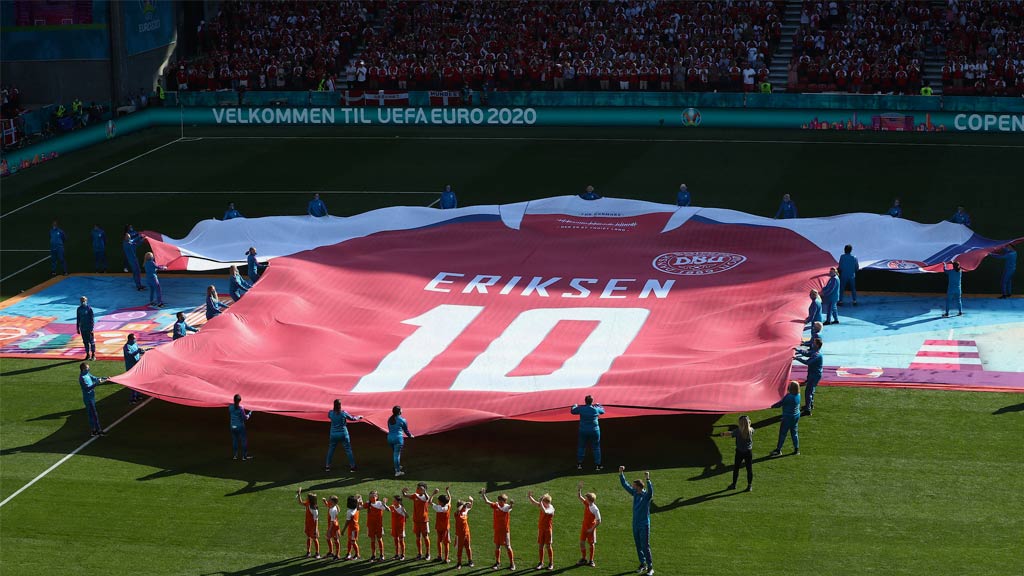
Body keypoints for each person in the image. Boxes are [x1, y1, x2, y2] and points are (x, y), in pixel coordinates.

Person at [618, 467, 654, 575]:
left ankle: (650, 567)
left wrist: (648, 479)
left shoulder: (646, 496)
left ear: (638, 487)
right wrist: (621, 473)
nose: (632, 487)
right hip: (635, 524)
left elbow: (651, 492)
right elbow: (625, 485)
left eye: (634, 485)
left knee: (645, 545)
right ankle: (643, 564)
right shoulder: (635, 493)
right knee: (638, 544)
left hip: (644, 524)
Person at [480, 489, 515, 571]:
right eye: (499, 501)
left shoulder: (506, 507)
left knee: (508, 546)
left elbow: (510, 507)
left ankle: (512, 563)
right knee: (497, 546)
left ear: (504, 501)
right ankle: (497, 562)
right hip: (497, 530)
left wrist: (511, 504)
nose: (499, 502)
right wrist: (483, 494)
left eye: (501, 501)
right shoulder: (496, 505)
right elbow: (487, 501)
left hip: (505, 530)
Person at [325, 399, 363, 472]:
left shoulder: (330, 413)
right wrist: (359, 417)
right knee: (348, 450)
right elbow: (352, 418)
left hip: (333, 434)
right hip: (343, 434)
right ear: (340, 405)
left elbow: (330, 416)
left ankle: (327, 466)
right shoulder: (343, 413)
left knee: (331, 450)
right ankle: (352, 467)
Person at [719, 415, 755, 492]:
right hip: (748, 452)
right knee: (749, 469)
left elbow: (730, 433)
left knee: (736, 468)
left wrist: (723, 434)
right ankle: (749, 486)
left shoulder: (738, 431)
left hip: (739, 452)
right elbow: (750, 427)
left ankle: (734, 484)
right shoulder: (751, 430)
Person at [571, 395, 604, 471]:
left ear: (585, 401)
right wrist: (599, 405)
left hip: (583, 431)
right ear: (592, 401)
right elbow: (603, 410)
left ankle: (579, 464)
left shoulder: (581, 409)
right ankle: (598, 465)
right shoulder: (596, 409)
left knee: (581, 447)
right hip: (594, 431)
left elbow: (573, 411)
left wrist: (575, 405)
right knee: (596, 448)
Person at [770, 381, 801, 456]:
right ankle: (796, 449)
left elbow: (780, 404)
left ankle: (778, 450)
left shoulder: (789, 396)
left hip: (787, 417)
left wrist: (771, 405)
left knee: (783, 433)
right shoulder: (798, 395)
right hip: (796, 416)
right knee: (794, 433)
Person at [403, 483, 432, 560]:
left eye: (420, 488)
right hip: (416, 520)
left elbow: (427, 498)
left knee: (425, 536)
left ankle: (428, 553)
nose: (418, 489)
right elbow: (405, 496)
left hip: (424, 520)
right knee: (417, 537)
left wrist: (424, 492)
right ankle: (419, 553)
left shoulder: (425, 497)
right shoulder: (415, 495)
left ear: (424, 489)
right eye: (418, 488)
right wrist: (403, 492)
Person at [79, 362, 109, 436]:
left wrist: (104, 378)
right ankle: (98, 430)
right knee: (94, 414)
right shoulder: (82, 378)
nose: (89, 369)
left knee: (92, 414)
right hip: (88, 398)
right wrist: (96, 383)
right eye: (87, 368)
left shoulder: (87, 374)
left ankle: (94, 430)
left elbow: (95, 378)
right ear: (83, 369)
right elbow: (87, 388)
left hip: (91, 397)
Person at [795, 338, 824, 415]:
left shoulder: (817, 355)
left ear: (817, 345)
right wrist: (798, 350)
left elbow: (807, 362)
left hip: (814, 375)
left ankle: (808, 410)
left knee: (808, 391)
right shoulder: (816, 352)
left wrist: (797, 358)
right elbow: (807, 353)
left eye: (814, 343)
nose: (812, 344)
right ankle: (810, 405)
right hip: (813, 374)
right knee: (811, 390)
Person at [527, 491, 555, 571]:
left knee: (548, 546)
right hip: (541, 529)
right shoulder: (543, 505)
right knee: (540, 546)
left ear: (547, 502)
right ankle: (541, 562)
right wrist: (530, 497)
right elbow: (534, 503)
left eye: (543, 502)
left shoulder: (551, 509)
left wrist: (540, 502)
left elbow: (545, 511)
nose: (541, 503)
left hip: (548, 530)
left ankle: (551, 563)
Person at [576, 481, 601, 567]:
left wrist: (592, 529)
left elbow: (599, 521)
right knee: (582, 542)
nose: (585, 499)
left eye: (586, 498)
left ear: (589, 500)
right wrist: (579, 489)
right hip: (584, 527)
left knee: (591, 544)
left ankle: (591, 560)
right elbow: (579, 497)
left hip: (590, 529)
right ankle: (584, 559)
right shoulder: (587, 504)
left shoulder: (595, 509)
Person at [387, 405, 412, 477]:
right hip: (398, 439)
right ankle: (397, 471)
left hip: (390, 438)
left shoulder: (390, 419)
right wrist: (410, 436)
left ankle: (397, 466)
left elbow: (390, 429)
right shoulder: (402, 420)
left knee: (395, 454)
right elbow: (406, 430)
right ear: (399, 411)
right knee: (396, 455)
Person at [364, 490, 388, 562]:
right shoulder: (368, 504)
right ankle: (373, 555)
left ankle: (382, 555)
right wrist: (358, 501)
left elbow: (388, 509)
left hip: (378, 525)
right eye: (370, 496)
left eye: (373, 496)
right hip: (370, 525)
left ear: (377, 497)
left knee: (379, 539)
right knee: (372, 540)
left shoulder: (380, 503)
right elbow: (359, 508)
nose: (372, 497)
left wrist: (384, 504)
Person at [297, 487, 321, 559]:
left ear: (310, 499)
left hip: (312, 527)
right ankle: (308, 552)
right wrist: (299, 494)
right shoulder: (308, 503)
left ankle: (317, 553)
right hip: (307, 524)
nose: (306, 498)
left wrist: (316, 529)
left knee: (315, 539)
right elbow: (300, 502)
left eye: (307, 497)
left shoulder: (314, 509)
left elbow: (316, 520)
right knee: (308, 537)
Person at [123, 333, 146, 404]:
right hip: (131, 366)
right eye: (134, 339)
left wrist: (142, 351)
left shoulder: (135, 344)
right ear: (130, 339)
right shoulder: (126, 347)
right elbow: (129, 355)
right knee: (133, 383)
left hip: (137, 365)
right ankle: (133, 399)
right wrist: (137, 351)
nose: (136, 340)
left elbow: (138, 353)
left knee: (138, 381)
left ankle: (138, 395)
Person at [432, 486, 452, 563]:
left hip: (439, 527)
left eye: (439, 501)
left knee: (439, 541)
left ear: (441, 502)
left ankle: (439, 556)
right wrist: (447, 491)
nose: (438, 502)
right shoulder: (448, 506)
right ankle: (446, 558)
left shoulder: (438, 508)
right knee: (446, 543)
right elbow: (449, 498)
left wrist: (433, 493)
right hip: (445, 527)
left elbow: (430, 502)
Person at [228, 393, 252, 460]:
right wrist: (250, 413)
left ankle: (235, 456)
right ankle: (244, 456)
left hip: (232, 426)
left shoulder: (230, 407)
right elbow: (245, 418)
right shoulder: (241, 408)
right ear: (239, 400)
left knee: (235, 440)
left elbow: (232, 406)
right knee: (243, 440)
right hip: (240, 427)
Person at [454, 497, 474, 569]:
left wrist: (471, 500)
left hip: (467, 533)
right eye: (464, 507)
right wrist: (464, 504)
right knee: (460, 549)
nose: (466, 508)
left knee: (468, 547)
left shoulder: (465, 511)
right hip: (460, 535)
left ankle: (470, 561)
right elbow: (458, 510)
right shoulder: (457, 514)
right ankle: (459, 563)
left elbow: (470, 506)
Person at [76, 296, 96, 360]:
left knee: (91, 342)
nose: (82, 302)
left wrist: (92, 328)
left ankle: (93, 354)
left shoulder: (89, 309)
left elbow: (92, 319)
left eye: (84, 300)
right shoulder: (79, 309)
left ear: (86, 301)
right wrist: (77, 328)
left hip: (89, 328)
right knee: (85, 342)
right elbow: (78, 319)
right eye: (81, 301)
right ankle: (87, 354)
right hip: (83, 328)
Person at [343, 494, 362, 560]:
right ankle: (348, 553)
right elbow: (359, 505)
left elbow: (347, 522)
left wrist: (343, 530)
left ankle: (357, 554)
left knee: (353, 542)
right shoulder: (357, 508)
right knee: (349, 541)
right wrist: (359, 499)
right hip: (354, 528)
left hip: (353, 529)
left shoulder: (349, 512)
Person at [390, 495, 408, 560]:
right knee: (395, 540)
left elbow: (407, 516)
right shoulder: (392, 507)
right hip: (394, 526)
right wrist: (384, 504)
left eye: (394, 500)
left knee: (401, 540)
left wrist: (404, 511)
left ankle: (403, 555)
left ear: (399, 502)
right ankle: (397, 554)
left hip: (400, 527)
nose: (393, 501)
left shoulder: (401, 508)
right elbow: (387, 509)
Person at [324, 495, 341, 560]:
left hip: (334, 527)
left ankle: (337, 554)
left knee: (336, 540)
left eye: (329, 500)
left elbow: (332, 521)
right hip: (332, 525)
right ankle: (331, 552)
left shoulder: (332, 510)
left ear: (333, 501)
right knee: (328, 538)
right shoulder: (334, 506)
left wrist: (329, 530)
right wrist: (325, 501)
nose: (328, 500)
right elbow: (328, 505)